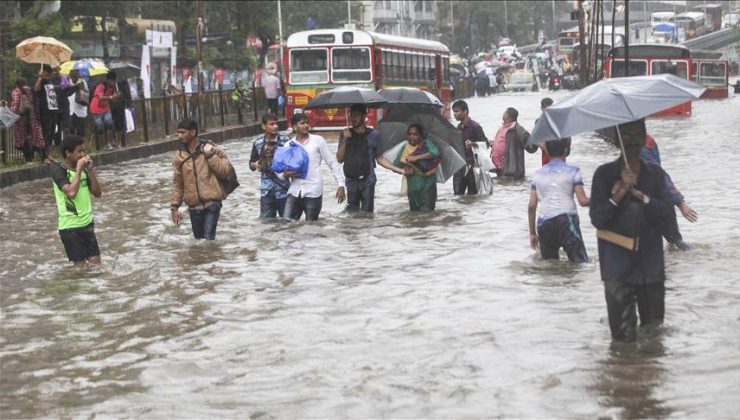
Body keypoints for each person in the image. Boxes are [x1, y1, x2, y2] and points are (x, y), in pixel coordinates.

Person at [589, 119, 675, 342]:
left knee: (654, 338)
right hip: (617, 270)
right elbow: (598, 219)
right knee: (622, 342)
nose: (632, 140)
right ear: (617, 140)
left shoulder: (655, 174)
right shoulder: (604, 175)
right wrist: (618, 196)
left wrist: (643, 197)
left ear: (645, 136)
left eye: (638, 134)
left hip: (651, 268)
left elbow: (667, 213)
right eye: (626, 135)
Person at [528, 139, 590, 262]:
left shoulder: (537, 174)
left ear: (546, 151)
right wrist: (604, 197)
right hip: (567, 220)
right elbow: (583, 201)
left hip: (544, 223)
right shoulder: (574, 171)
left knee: (550, 266)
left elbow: (531, 206)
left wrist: (532, 234)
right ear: (565, 151)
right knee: (580, 263)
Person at [170, 119, 232, 240]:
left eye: (183, 132)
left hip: (212, 202)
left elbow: (225, 172)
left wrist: (210, 156)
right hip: (194, 207)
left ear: (193, 132)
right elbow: (178, 183)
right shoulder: (179, 156)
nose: (179, 136)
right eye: (178, 132)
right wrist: (174, 207)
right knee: (199, 241)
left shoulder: (210, 148)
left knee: (208, 239)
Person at [336, 103, 403, 213]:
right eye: (351, 115)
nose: (353, 119)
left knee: (367, 214)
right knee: (352, 214)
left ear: (364, 116)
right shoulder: (345, 134)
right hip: (351, 181)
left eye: (356, 115)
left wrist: (398, 169)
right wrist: (345, 140)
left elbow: (380, 158)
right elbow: (339, 159)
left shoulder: (374, 134)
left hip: (368, 180)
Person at [50, 134, 102, 264]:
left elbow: (97, 193)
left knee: (96, 264)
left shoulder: (84, 170)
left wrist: (91, 171)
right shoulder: (58, 170)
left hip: (87, 224)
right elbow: (71, 193)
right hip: (70, 228)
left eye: (83, 151)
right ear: (68, 153)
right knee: (80, 269)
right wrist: (78, 170)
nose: (82, 155)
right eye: (79, 151)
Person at [282, 113, 345, 221]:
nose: (306, 125)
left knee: (312, 226)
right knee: (287, 225)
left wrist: (341, 184)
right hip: (294, 191)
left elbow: (332, 163)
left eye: (307, 123)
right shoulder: (288, 145)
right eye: (302, 123)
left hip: (313, 191)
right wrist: (285, 174)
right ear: (294, 126)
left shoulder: (318, 141)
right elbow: (280, 170)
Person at [641, 134, 698, 250]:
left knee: (675, 244)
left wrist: (680, 203)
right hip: (656, 199)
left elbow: (660, 175)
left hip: (655, 200)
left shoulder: (643, 147)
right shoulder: (648, 140)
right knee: (674, 243)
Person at [249, 113, 291, 218]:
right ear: (263, 126)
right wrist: (255, 165)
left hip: (284, 191)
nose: (275, 126)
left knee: (288, 224)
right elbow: (251, 163)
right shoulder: (258, 143)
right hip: (266, 192)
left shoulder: (286, 141)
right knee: (266, 225)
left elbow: (294, 160)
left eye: (276, 124)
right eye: (271, 124)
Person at [34, 64, 77, 163]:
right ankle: (44, 156)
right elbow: (36, 89)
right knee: (46, 133)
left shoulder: (51, 81)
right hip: (44, 111)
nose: (48, 74)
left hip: (53, 110)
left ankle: (48, 155)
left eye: (50, 72)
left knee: (51, 133)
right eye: (47, 72)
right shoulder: (42, 81)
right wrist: (40, 78)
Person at [394, 124, 441, 211]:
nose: (412, 137)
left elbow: (435, 153)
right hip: (413, 189)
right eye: (410, 134)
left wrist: (416, 157)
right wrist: (404, 169)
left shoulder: (427, 144)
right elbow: (396, 165)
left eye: (415, 134)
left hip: (427, 187)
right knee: (414, 215)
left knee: (427, 213)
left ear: (421, 136)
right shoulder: (405, 148)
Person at [451, 100, 489, 195]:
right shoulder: (458, 128)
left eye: (457, 111)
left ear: (465, 111)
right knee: (458, 195)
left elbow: (485, 145)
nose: (455, 114)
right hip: (459, 166)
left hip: (472, 167)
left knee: (473, 195)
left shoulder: (475, 127)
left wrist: (472, 144)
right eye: (454, 112)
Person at [490, 107, 537, 180]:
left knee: (512, 187)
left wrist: (536, 142)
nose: (503, 114)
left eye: (504, 112)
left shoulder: (518, 129)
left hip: (511, 171)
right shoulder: (502, 127)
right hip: (499, 169)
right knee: (501, 188)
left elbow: (531, 146)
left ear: (508, 116)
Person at [10, 77, 45, 163]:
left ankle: (28, 159)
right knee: (31, 137)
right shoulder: (30, 91)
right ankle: (32, 158)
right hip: (32, 118)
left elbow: (15, 106)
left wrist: (12, 114)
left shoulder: (16, 91)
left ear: (17, 84)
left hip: (22, 119)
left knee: (24, 138)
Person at [537, 98, 571, 166]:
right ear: (541, 108)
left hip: (560, 155)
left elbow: (568, 138)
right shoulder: (538, 122)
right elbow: (535, 140)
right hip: (546, 157)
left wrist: (567, 150)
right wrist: (539, 144)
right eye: (546, 108)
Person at [89, 72, 118, 150]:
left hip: (105, 108)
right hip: (96, 108)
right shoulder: (101, 86)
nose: (113, 83)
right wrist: (111, 97)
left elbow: (112, 99)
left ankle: (110, 142)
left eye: (114, 81)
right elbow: (101, 97)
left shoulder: (113, 88)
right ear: (108, 80)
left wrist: (116, 96)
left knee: (110, 123)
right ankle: (102, 145)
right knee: (100, 127)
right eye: (112, 81)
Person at [108, 72, 133, 148]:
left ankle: (120, 142)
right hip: (111, 106)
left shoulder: (122, 80)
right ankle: (113, 141)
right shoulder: (108, 82)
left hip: (120, 106)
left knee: (120, 124)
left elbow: (127, 92)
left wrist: (129, 104)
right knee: (112, 124)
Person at [67, 70, 88, 137]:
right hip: (70, 110)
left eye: (76, 75)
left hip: (80, 110)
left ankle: (81, 145)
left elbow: (85, 94)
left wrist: (80, 85)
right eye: (72, 75)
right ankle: (72, 146)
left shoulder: (82, 82)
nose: (74, 77)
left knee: (80, 130)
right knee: (71, 129)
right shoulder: (68, 82)